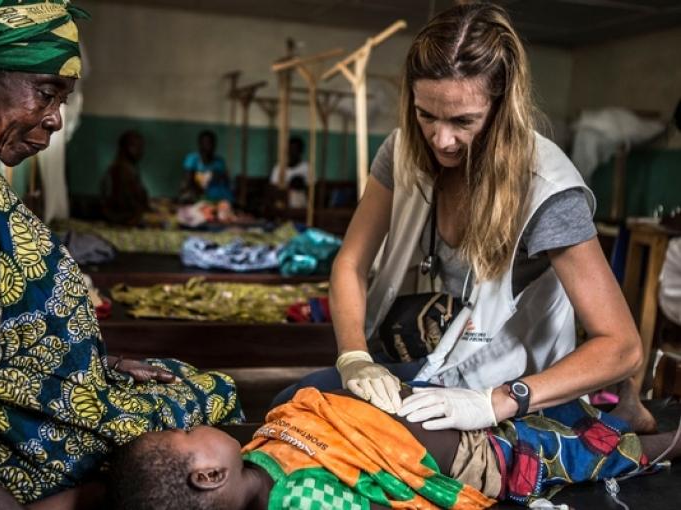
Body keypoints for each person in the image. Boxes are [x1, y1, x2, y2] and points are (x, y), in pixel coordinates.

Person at [0, 2, 242, 509]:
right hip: (29, 449)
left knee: (191, 384)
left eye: (61, 99)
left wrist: (93, 360)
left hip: (45, 400)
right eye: (46, 93)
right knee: (214, 396)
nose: (55, 119)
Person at [275, 2, 648, 434]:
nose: (442, 139)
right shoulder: (401, 152)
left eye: (463, 121)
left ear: (502, 107)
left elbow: (622, 348)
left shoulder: (546, 190)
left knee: (373, 443)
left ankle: (623, 417)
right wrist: (354, 357)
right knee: (292, 405)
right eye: (425, 115)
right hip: (429, 360)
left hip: (504, 382)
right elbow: (351, 263)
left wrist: (499, 401)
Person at [107, 387, 679, 510]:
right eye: (185, 437)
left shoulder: (259, 456)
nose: (193, 426)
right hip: (488, 465)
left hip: (463, 423)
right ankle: (659, 439)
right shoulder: (303, 500)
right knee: (569, 455)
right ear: (208, 477)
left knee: (551, 419)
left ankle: (621, 413)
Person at [101, 129, 150, 225]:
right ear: (124, 147)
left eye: (141, 147)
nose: (140, 151)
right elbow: (128, 203)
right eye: (136, 146)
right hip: (123, 218)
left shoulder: (129, 168)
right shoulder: (122, 170)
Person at [180, 130, 233, 205]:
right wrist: (201, 191)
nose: (209, 146)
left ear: (215, 144)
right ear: (200, 144)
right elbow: (188, 180)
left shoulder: (219, 162)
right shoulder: (192, 159)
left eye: (211, 143)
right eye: (206, 143)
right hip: (197, 191)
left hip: (215, 194)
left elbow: (225, 180)